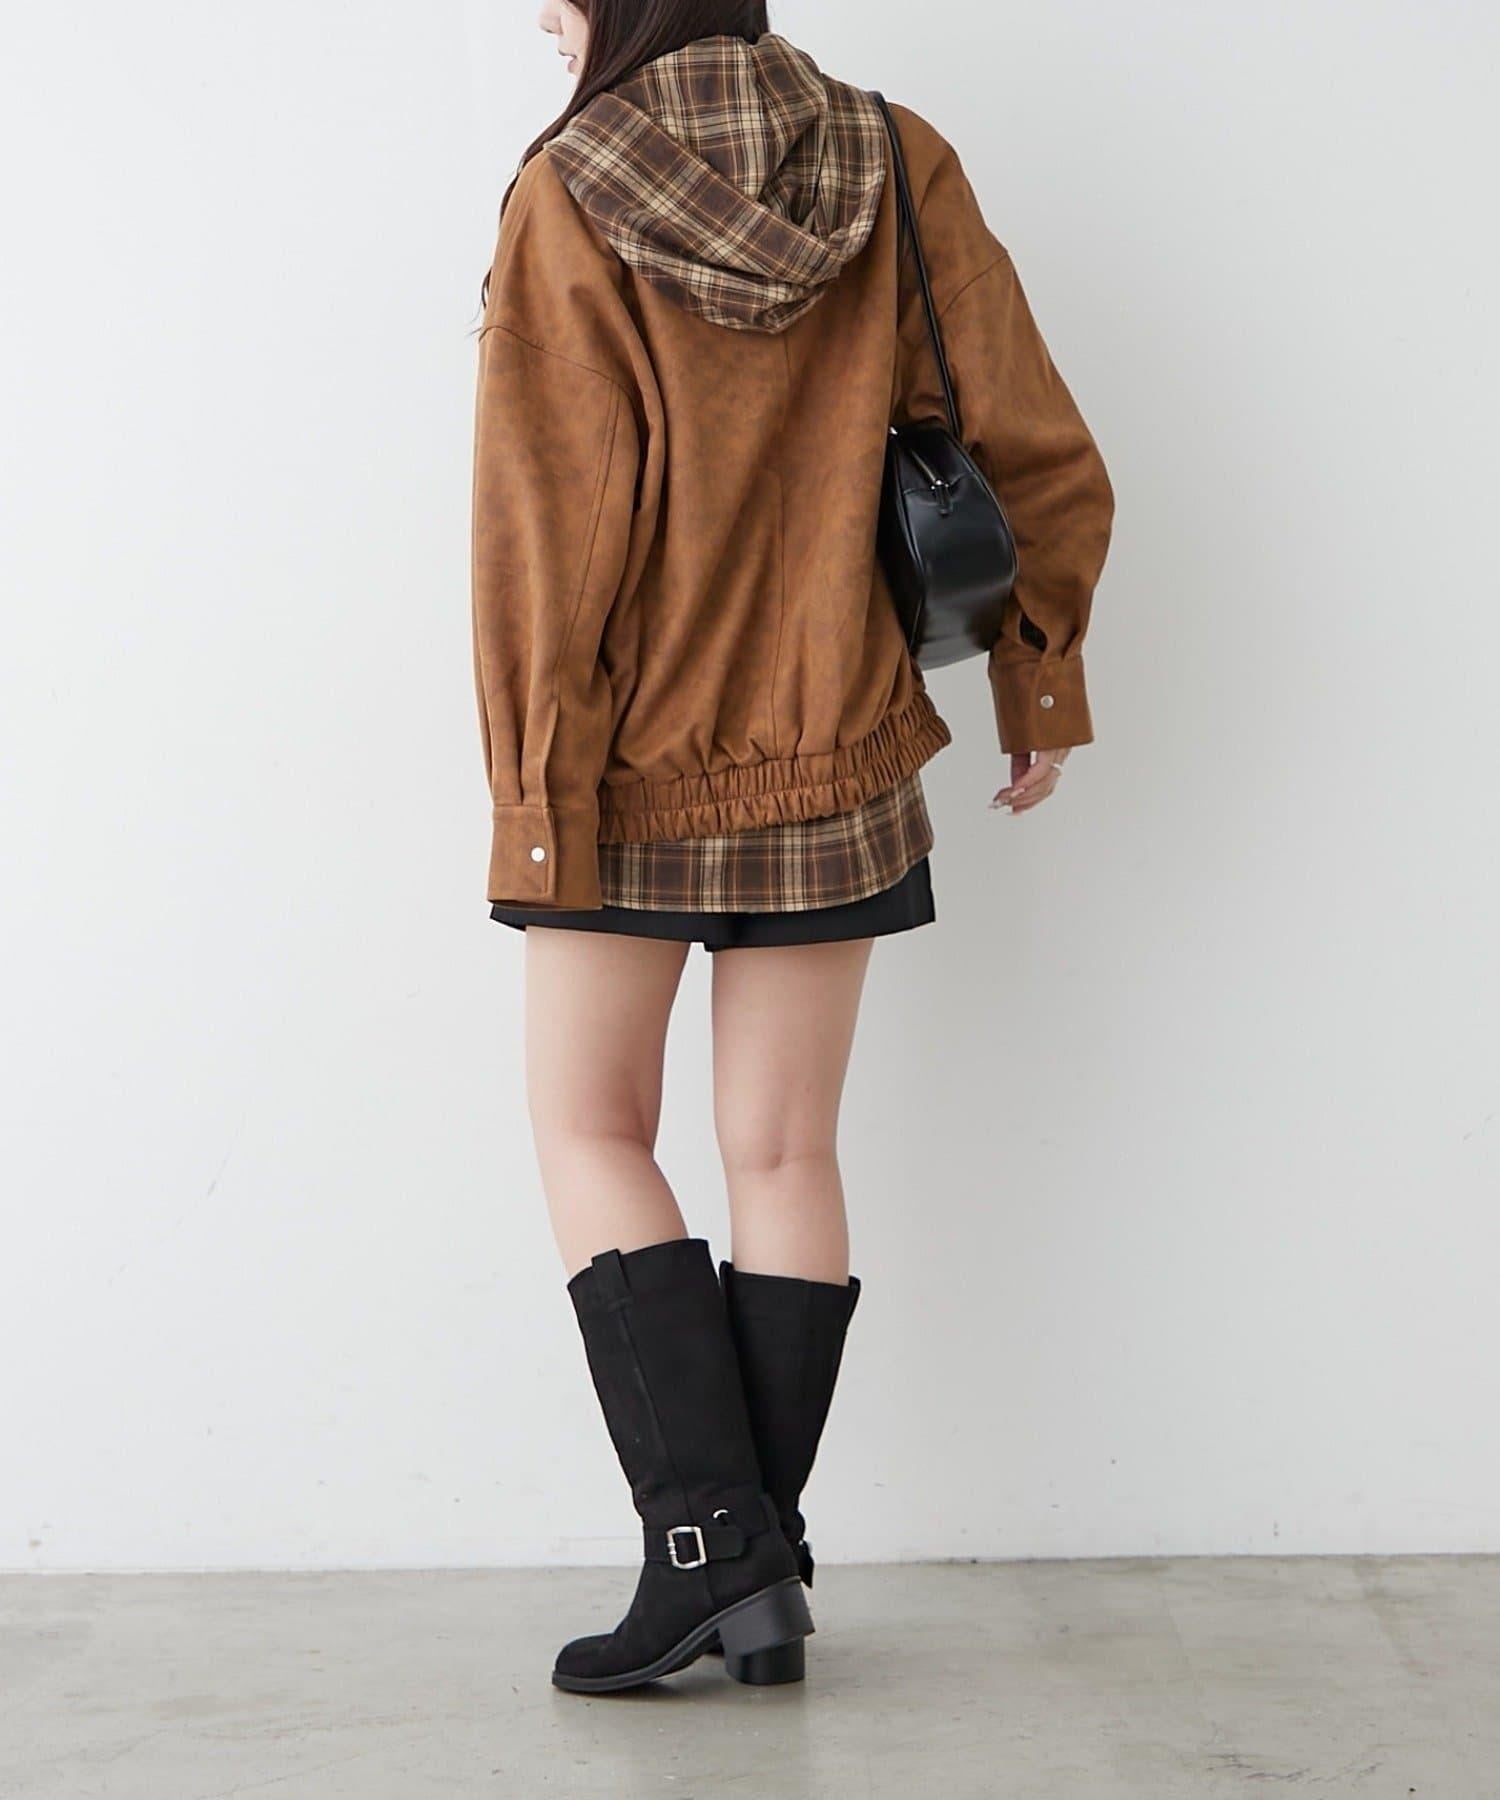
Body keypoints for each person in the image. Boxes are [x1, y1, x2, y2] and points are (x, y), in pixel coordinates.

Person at [471, 0, 1114, 1695]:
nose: (542, 22)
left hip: (625, 770)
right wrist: (1036, 681)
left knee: (589, 1125)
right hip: (844, 749)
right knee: (783, 1151)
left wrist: (535, 791)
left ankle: (708, 1553)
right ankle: (757, 1571)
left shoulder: (572, 186)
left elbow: (548, 523)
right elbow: (1032, 440)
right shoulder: (898, 156)